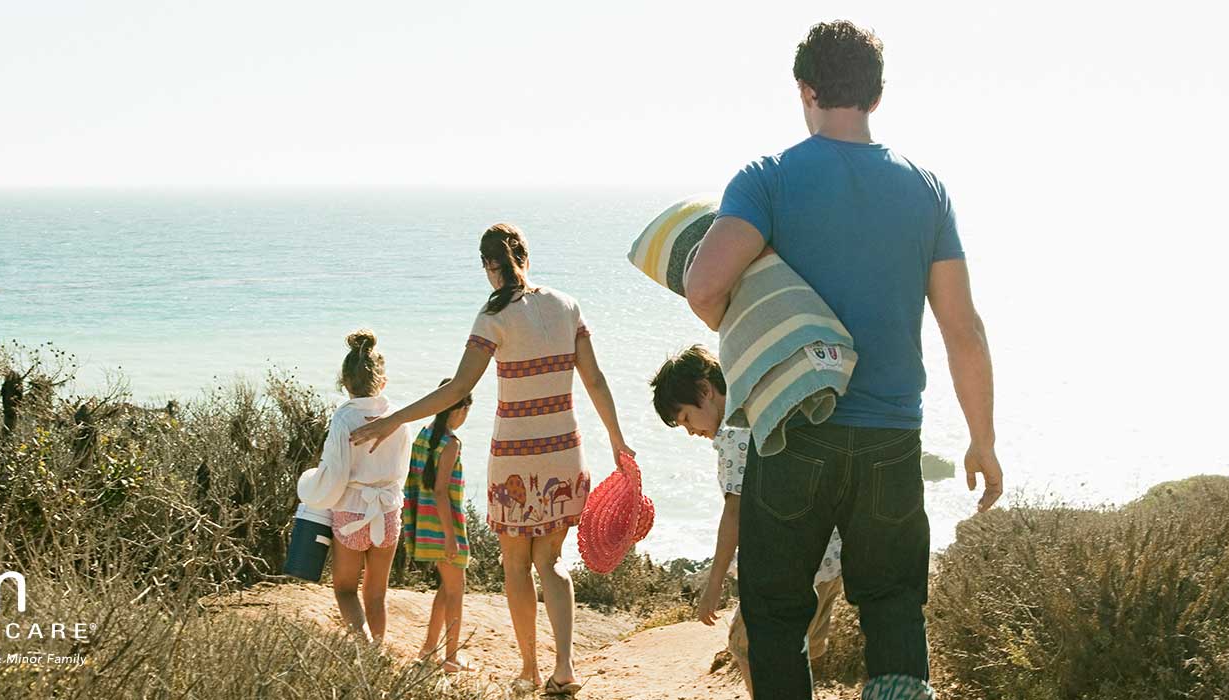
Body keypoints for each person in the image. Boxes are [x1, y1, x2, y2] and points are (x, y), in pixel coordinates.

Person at [683, 20, 1003, 700]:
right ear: (877, 97)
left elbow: (704, 284)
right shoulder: (927, 191)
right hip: (891, 436)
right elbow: (962, 330)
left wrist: (746, 327)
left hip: (796, 432)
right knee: (891, 603)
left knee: (773, 614)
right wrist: (982, 440)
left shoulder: (768, 180)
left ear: (805, 90)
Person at [352, 223, 633, 697]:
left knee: (515, 564)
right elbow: (596, 380)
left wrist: (390, 421)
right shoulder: (568, 306)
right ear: (525, 253)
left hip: (516, 458)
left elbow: (459, 389)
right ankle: (564, 667)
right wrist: (618, 442)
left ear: (489, 266)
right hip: (565, 450)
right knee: (552, 560)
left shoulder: (493, 315)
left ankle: (530, 670)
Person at [651, 345, 844, 695]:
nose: (690, 432)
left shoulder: (734, 434)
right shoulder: (764, 401)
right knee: (804, 649)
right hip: (829, 554)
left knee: (746, 646)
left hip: (791, 567)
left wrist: (712, 585)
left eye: (685, 419)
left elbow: (735, 514)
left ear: (705, 390)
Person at [296, 330, 414, 644]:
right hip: (388, 513)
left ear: (344, 383)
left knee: (345, 590)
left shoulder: (343, 420)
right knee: (376, 595)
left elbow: (334, 476)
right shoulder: (399, 419)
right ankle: (377, 650)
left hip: (350, 515)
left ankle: (362, 647)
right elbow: (402, 473)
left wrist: (308, 486)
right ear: (383, 382)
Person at [404, 378, 475, 674]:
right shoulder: (451, 444)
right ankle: (450, 657)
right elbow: (440, 491)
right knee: (457, 590)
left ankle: (428, 648)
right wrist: (451, 536)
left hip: (424, 524)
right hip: (444, 526)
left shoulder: (425, 433)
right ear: (460, 409)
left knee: (447, 587)